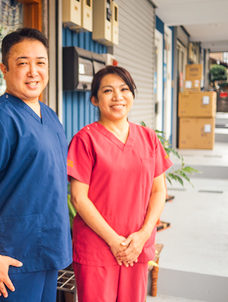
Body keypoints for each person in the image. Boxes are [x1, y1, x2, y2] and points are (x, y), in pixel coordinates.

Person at [0, 27, 72, 301]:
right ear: (4, 69)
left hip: (47, 249)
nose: (33, 71)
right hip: (11, 258)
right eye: (22, 63)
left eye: (40, 63)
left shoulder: (50, 116)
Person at [67, 66, 173, 302]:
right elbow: (78, 198)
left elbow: (159, 190)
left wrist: (144, 235)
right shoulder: (85, 140)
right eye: (108, 91)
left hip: (137, 246)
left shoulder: (149, 138)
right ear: (94, 99)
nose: (118, 97)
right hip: (97, 248)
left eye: (124, 89)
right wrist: (115, 242)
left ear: (132, 95)